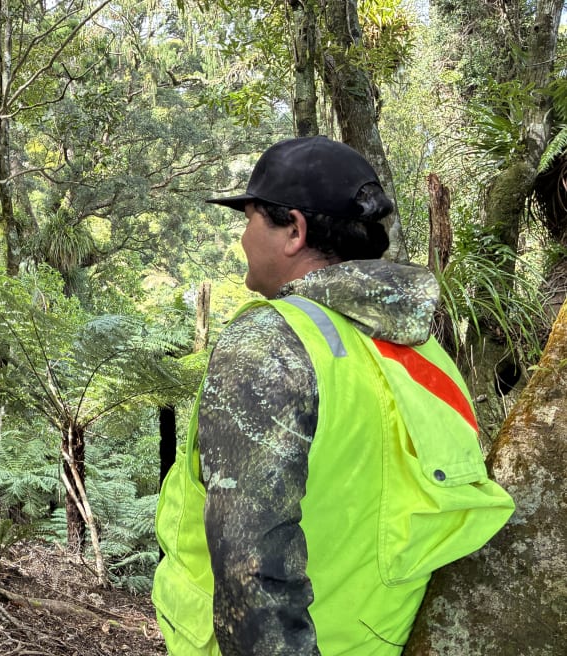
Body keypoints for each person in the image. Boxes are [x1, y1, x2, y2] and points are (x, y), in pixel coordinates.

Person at [152, 136, 515, 655]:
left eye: (251, 219)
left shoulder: (273, 341)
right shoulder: (429, 358)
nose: (242, 240)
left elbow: (250, 567)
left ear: (294, 231)